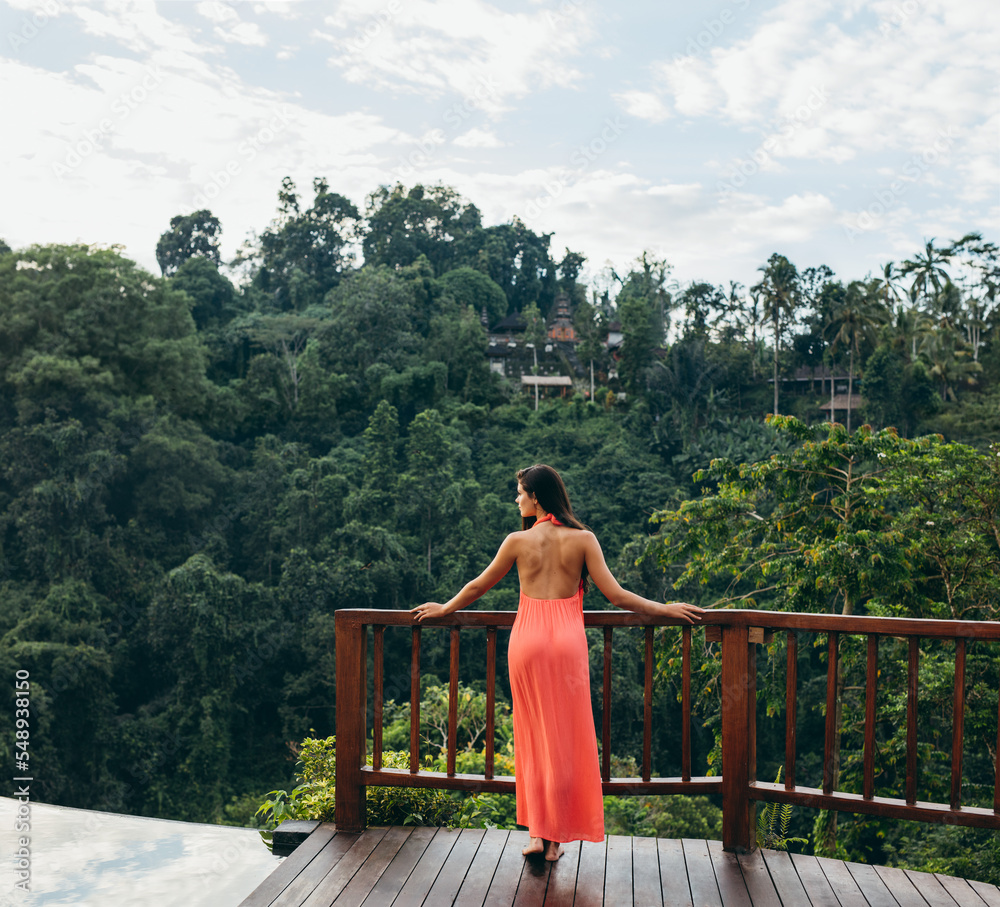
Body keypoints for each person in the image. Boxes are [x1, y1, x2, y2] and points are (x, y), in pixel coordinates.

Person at [411, 464, 703, 861]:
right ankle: (555, 841)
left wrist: (445, 608)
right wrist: (666, 609)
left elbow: (479, 585)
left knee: (532, 739)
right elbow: (617, 596)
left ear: (537, 497)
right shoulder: (584, 540)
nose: (516, 499)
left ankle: (536, 834)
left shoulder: (517, 541)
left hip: (527, 643)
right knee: (567, 740)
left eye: (520, 493)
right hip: (566, 644)